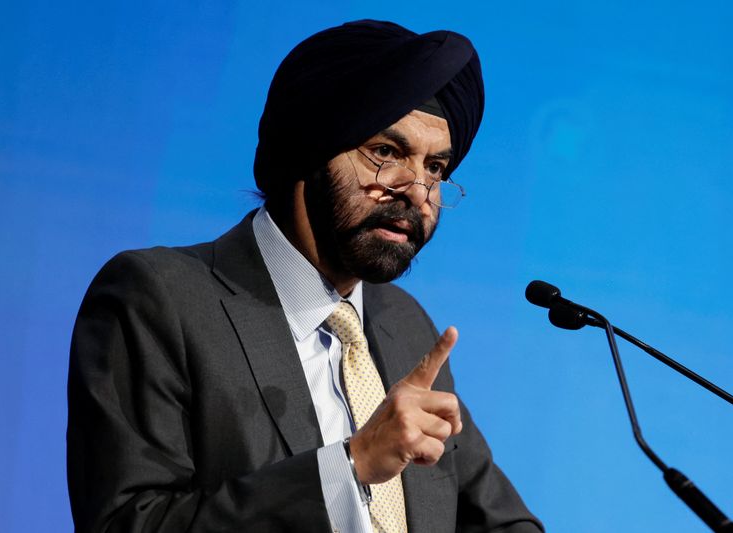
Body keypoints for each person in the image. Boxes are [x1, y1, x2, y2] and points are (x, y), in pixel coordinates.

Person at [67, 19, 544, 533]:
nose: (418, 192)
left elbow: (504, 523)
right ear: (308, 151)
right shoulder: (160, 299)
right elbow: (128, 524)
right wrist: (352, 465)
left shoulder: (403, 326)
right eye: (386, 153)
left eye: (436, 169)